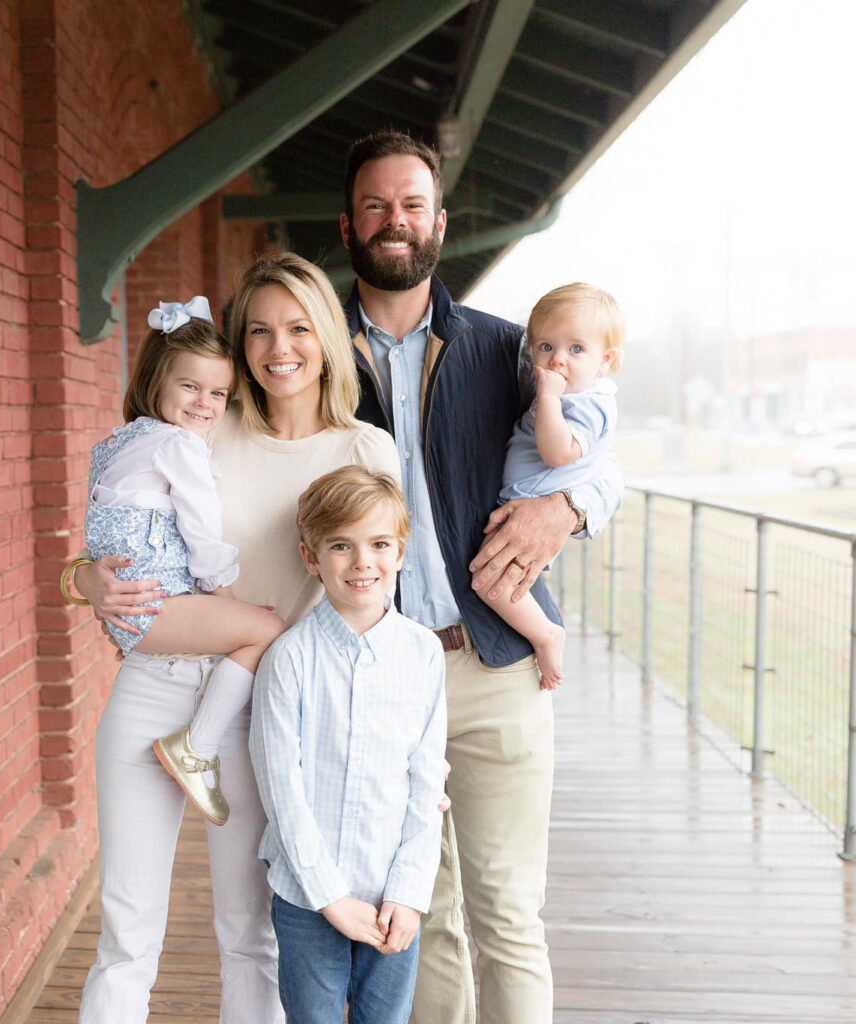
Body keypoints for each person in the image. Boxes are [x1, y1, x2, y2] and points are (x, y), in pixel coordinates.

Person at [63, 251, 400, 1024]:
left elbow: (383, 608)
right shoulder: (205, 424)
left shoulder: (363, 451)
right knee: (126, 933)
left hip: (259, 711)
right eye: (258, 330)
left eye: (296, 328)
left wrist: (407, 747)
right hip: (152, 688)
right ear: (239, 343)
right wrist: (81, 581)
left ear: (325, 335)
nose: (279, 347)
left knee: (250, 936)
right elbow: (115, 534)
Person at [338, 129, 624, 1024]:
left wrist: (570, 509)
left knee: (506, 913)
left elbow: (603, 452)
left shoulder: (510, 352)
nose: (396, 220)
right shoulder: (310, 360)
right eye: (378, 205)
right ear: (347, 226)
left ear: (439, 224)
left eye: (412, 205)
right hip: (376, 679)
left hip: (492, 664)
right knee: (420, 916)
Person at [249, 466, 447, 1024]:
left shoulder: (423, 654)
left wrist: (408, 892)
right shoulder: (289, 658)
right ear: (312, 558)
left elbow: (428, 781)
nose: (363, 562)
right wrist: (329, 897)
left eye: (380, 543)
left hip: (393, 897)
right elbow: (281, 790)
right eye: (341, 546)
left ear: (401, 551)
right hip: (309, 896)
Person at [81, 295, 284, 826]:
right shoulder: (180, 446)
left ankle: (193, 744)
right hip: (156, 607)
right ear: (157, 380)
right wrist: (228, 601)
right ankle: (195, 747)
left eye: (219, 392)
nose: (206, 404)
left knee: (252, 627)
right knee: (264, 630)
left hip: (134, 616)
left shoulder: (118, 442)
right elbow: (201, 534)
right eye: (190, 387)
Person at [476, 282, 625, 690]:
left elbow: (559, 451)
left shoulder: (588, 403)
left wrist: (547, 399)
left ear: (605, 359)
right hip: (518, 501)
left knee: (488, 584)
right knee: (491, 581)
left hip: (531, 508)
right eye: (545, 347)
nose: (558, 360)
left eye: (576, 350)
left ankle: (546, 633)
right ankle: (543, 630)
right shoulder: (568, 396)